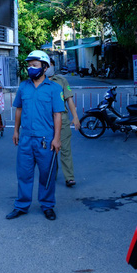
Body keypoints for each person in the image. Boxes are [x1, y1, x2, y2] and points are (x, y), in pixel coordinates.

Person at [6, 50, 65, 221]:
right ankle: (21, 206)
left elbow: (57, 115)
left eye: (35, 65)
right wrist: (16, 131)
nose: (31, 68)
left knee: (47, 174)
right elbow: (19, 109)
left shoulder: (54, 88)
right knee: (24, 173)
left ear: (45, 67)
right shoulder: (24, 86)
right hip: (26, 138)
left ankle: (47, 205)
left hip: (45, 140)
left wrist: (57, 138)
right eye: (29, 65)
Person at [47, 58, 80, 187]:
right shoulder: (39, 82)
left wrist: (75, 117)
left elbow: (69, 99)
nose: (49, 68)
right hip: (47, 122)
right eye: (47, 65)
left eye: (51, 65)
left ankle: (69, 177)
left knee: (65, 150)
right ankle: (51, 175)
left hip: (63, 120)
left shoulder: (62, 81)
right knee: (50, 150)